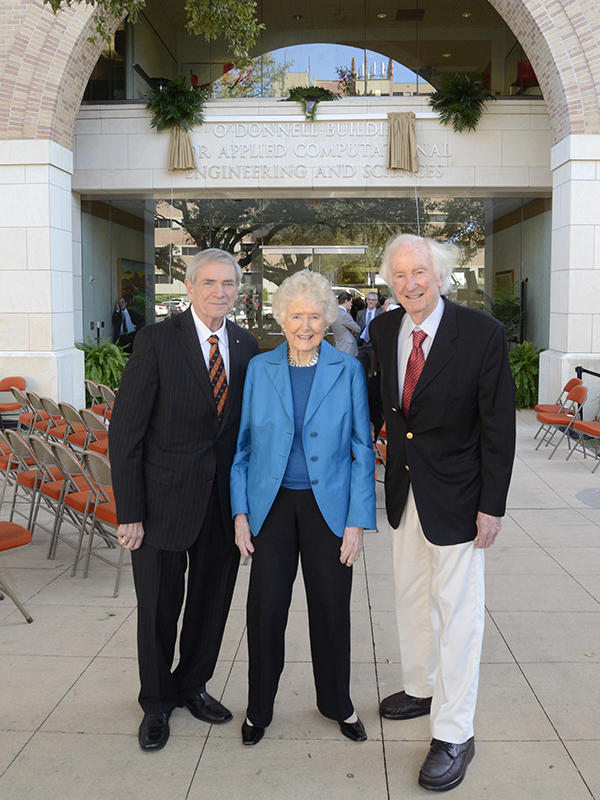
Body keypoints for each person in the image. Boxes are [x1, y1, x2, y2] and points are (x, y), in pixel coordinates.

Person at [369, 234, 515, 792]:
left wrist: (491, 507)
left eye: (420, 272)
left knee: (459, 614)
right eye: (400, 274)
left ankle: (454, 732)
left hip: (459, 498)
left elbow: (499, 428)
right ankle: (421, 686)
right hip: (405, 492)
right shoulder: (385, 330)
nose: (411, 283)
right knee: (409, 598)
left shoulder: (481, 334)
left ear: (442, 274)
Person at [109, 249, 258, 752]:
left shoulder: (247, 343)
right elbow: (124, 434)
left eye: (229, 284)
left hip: (222, 507)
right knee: (157, 609)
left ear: (239, 291)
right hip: (161, 505)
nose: (220, 292)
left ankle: (192, 683)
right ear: (190, 287)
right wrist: (129, 512)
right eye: (210, 283)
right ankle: (156, 702)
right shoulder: (155, 341)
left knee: (210, 606)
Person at [230, 269, 376, 747]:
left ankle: (338, 702)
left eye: (315, 315)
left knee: (332, 609)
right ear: (282, 318)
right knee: (265, 609)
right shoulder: (259, 369)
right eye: (297, 316)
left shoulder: (347, 370)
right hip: (270, 507)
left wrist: (357, 521)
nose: (306, 325)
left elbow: (362, 449)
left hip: (328, 509)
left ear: (329, 318)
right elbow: (244, 448)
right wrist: (240, 513)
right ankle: (259, 708)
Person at [356, 291, 383, 379]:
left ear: (376, 302)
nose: (371, 302)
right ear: (366, 301)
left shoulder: (380, 313)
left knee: (374, 371)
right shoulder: (360, 313)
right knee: (362, 371)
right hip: (362, 345)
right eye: (369, 299)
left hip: (373, 346)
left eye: (373, 300)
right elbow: (357, 328)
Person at [330, 291, 362, 355]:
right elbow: (357, 329)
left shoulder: (334, 313)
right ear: (346, 301)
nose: (351, 304)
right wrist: (351, 330)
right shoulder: (344, 315)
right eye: (350, 302)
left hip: (338, 345)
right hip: (347, 347)